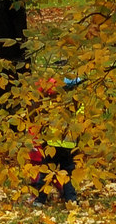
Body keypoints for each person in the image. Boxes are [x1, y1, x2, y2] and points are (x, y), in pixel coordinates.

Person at [28, 76, 83, 205]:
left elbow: (43, 121)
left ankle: (40, 199)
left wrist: (43, 139)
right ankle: (71, 199)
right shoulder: (79, 105)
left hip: (52, 145)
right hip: (69, 146)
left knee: (46, 172)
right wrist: (77, 145)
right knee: (68, 174)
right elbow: (81, 126)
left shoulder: (53, 103)